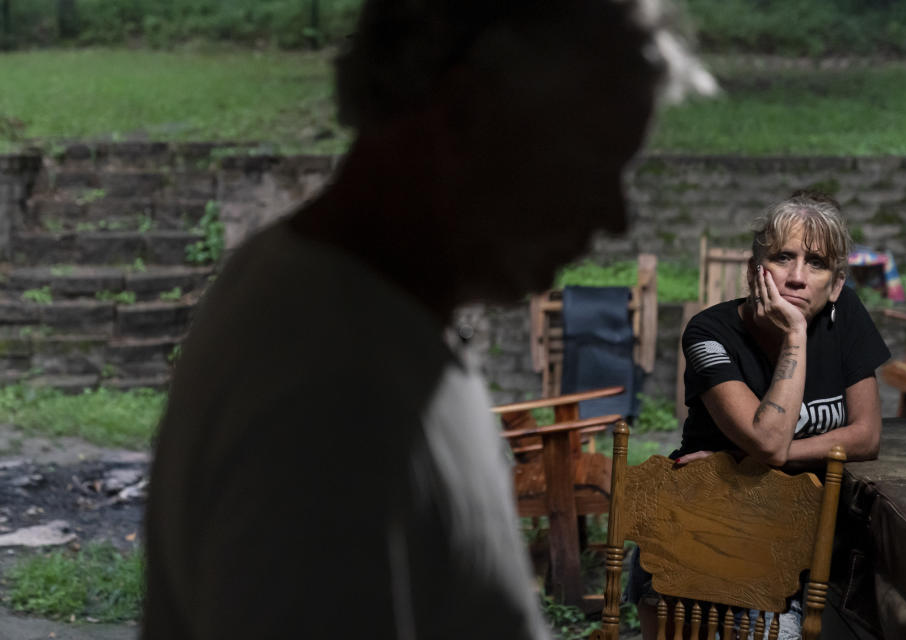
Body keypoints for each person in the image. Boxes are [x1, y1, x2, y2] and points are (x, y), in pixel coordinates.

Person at [142, 1, 714, 638]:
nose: (615, 217)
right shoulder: (333, 402)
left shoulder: (363, 317)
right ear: (466, 115)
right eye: (593, 161)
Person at [625, 191, 891, 639]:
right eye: (783, 257)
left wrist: (747, 462)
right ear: (754, 271)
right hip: (702, 531)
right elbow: (767, 438)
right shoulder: (710, 332)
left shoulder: (845, 316)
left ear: (837, 284)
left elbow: (866, 436)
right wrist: (795, 338)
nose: (798, 277)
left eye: (817, 263)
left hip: (793, 542)